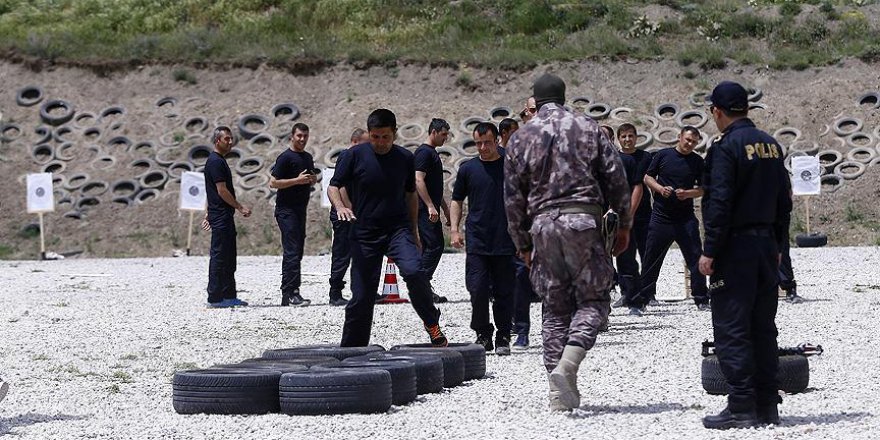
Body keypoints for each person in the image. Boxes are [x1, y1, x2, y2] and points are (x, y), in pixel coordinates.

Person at [505, 74, 631, 411]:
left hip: (542, 227)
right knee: (594, 300)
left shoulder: (520, 137)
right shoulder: (587, 127)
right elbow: (616, 177)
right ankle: (568, 365)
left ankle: (557, 391)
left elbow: (512, 198)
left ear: (536, 99)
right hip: (583, 222)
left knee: (554, 306)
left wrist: (522, 243)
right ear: (563, 96)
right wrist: (623, 224)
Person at [699, 81, 792, 429]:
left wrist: (709, 251)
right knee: (763, 327)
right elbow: (785, 201)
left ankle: (740, 405)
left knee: (733, 326)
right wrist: (780, 247)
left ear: (717, 112)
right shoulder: (771, 145)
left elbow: (719, 202)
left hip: (735, 248)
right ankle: (767, 404)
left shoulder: (726, 147)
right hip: (767, 246)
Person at [328, 109, 448, 348]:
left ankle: (431, 323)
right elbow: (333, 186)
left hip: (398, 229)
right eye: (375, 137)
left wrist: (414, 232)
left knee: (415, 272)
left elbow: (411, 195)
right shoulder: (353, 156)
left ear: (394, 133)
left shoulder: (405, 158)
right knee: (362, 295)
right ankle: (353, 349)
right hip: (364, 233)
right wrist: (340, 206)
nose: (380, 142)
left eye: (385, 137)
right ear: (369, 134)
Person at [629, 126, 710, 315]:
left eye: (694, 142)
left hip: (685, 218)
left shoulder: (698, 162)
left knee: (695, 258)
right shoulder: (663, 155)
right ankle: (642, 300)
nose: (689, 144)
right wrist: (659, 189)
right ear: (679, 137)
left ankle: (701, 298)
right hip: (661, 218)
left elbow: (704, 189)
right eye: (687, 139)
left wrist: (688, 193)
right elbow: (648, 177)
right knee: (650, 260)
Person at [450, 122, 515, 356]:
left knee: (504, 290)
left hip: (506, 238)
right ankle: (483, 333)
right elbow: (456, 200)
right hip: (477, 238)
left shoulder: (511, 165)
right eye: (478, 143)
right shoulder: (468, 169)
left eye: (487, 142)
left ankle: (504, 334)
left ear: (497, 140)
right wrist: (455, 230)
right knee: (477, 289)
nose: (482, 147)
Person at [201, 126, 251, 308]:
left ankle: (229, 295)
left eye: (231, 139)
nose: (230, 142)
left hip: (222, 215)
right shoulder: (215, 162)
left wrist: (208, 212)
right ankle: (215, 297)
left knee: (229, 257)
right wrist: (239, 206)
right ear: (217, 141)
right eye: (227, 139)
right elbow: (221, 191)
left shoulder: (219, 161)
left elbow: (211, 191)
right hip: (221, 216)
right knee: (220, 257)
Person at [269, 123, 317, 307]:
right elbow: (273, 183)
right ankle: (292, 293)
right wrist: (297, 181)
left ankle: (287, 294)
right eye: (299, 136)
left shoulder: (307, 158)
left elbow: (310, 179)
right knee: (291, 252)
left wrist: (312, 180)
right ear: (292, 136)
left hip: (300, 210)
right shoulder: (284, 158)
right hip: (286, 211)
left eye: (305, 135)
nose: (302, 139)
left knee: (297, 252)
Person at [610, 123, 653, 309]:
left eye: (630, 136)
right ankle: (628, 293)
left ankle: (648, 292)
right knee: (624, 256)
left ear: (636, 137)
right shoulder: (614, 159)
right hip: (621, 215)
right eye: (624, 136)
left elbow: (643, 185)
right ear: (618, 139)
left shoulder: (646, 157)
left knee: (647, 254)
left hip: (643, 214)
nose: (627, 140)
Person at [326, 128, 369, 306]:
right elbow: (338, 184)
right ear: (355, 141)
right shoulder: (347, 156)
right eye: (366, 143)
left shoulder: (359, 158)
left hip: (357, 213)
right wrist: (347, 208)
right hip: (344, 215)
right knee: (342, 253)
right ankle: (335, 292)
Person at [414, 118, 452, 304]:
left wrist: (444, 208)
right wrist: (429, 206)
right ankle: (420, 286)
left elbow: (435, 187)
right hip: (424, 210)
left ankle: (422, 288)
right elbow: (418, 180)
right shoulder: (424, 153)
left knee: (431, 247)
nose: (446, 138)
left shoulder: (432, 154)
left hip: (431, 209)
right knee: (434, 245)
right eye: (443, 134)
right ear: (434, 132)